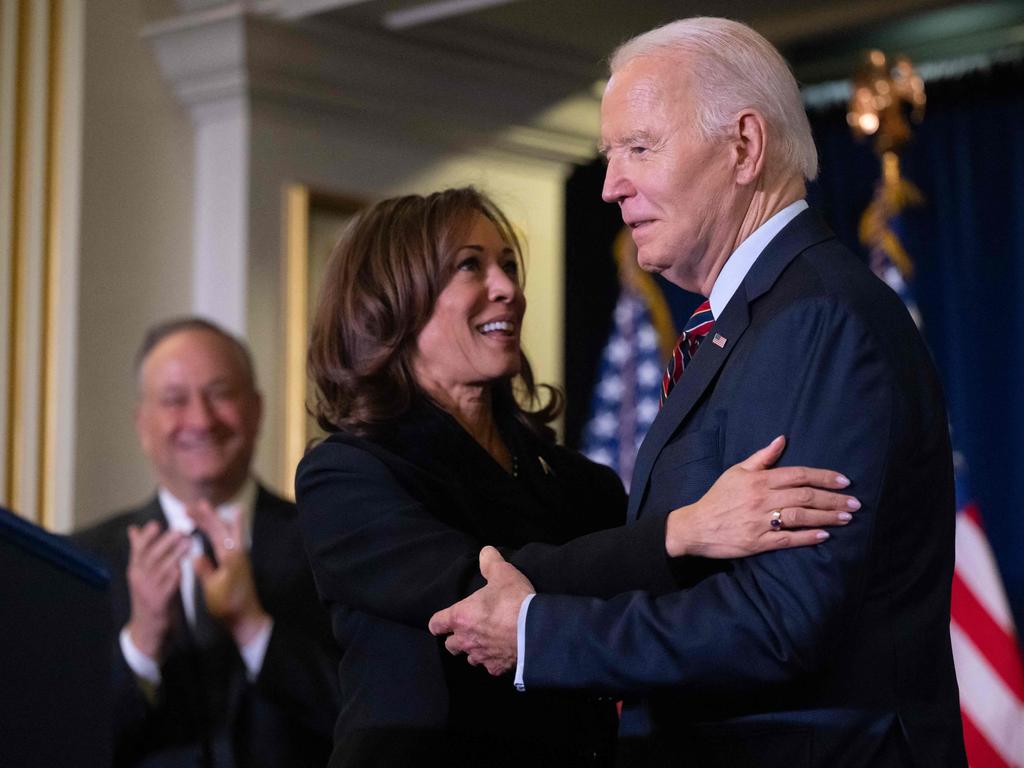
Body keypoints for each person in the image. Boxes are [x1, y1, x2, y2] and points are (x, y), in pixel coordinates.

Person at [429, 18, 966, 768]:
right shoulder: (755, 321)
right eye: (610, 154)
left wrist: (538, 634)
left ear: (744, 147)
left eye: (639, 148)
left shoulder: (814, 320)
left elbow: (781, 618)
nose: (612, 185)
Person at [296, 187, 858, 767]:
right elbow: (482, 596)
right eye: (470, 266)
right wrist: (680, 531)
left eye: (508, 266)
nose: (508, 289)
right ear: (391, 301)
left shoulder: (579, 484)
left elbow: (645, 624)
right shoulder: (345, 476)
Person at [74, 317, 339, 768]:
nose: (200, 419)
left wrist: (254, 628)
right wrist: (141, 644)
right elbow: (58, 738)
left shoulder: (329, 542)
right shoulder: (83, 562)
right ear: (142, 424)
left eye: (220, 394)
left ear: (256, 410)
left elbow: (366, 720)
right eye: (175, 400)